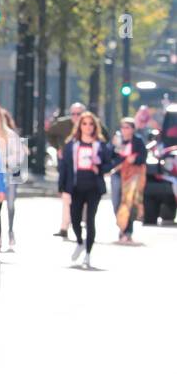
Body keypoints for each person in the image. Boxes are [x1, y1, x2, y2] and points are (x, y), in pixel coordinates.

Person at [58, 110, 114, 270]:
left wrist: (100, 168)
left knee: (90, 220)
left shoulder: (100, 145)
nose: (88, 127)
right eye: (84, 123)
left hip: (94, 188)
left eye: (90, 124)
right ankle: (80, 242)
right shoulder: (72, 145)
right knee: (74, 219)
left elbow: (110, 163)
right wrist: (62, 187)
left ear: (94, 126)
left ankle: (88, 254)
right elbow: (64, 167)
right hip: (75, 187)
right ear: (79, 125)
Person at [0, 106, 26, 252]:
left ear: (1, 119)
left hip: (8, 175)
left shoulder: (10, 135)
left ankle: (10, 231)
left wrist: (2, 160)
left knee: (9, 205)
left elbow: (20, 155)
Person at [51, 102, 86, 238]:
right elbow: (50, 133)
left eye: (79, 114)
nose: (76, 116)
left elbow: (104, 138)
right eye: (73, 113)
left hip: (84, 172)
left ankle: (83, 226)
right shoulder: (63, 124)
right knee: (66, 198)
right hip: (68, 168)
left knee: (84, 203)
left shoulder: (91, 125)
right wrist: (58, 147)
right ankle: (64, 228)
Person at [111, 117, 147, 244]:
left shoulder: (138, 141)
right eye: (123, 127)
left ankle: (127, 231)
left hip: (132, 176)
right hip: (118, 174)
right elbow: (110, 156)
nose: (125, 130)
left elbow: (143, 157)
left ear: (132, 129)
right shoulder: (117, 140)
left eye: (127, 127)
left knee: (128, 203)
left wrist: (134, 159)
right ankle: (121, 226)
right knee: (116, 202)